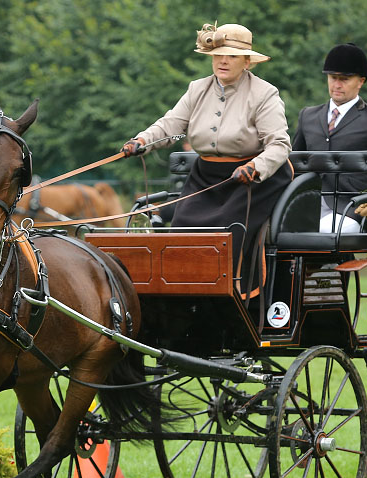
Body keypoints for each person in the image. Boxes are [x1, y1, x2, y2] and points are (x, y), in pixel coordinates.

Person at [122, 23, 292, 295]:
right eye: (217, 54)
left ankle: (234, 300)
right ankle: (183, 302)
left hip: (253, 181)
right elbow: (170, 125)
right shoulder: (196, 89)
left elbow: (280, 145)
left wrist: (255, 167)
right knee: (180, 232)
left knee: (227, 237)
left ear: (248, 62)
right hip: (205, 176)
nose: (223, 60)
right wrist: (142, 141)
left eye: (232, 55)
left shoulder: (265, 94)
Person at [292, 43, 367, 233]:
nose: (337, 85)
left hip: (349, 208)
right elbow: (292, 165)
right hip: (307, 204)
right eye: (333, 78)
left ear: (361, 81)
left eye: (345, 79)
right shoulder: (307, 116)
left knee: (325, 230)